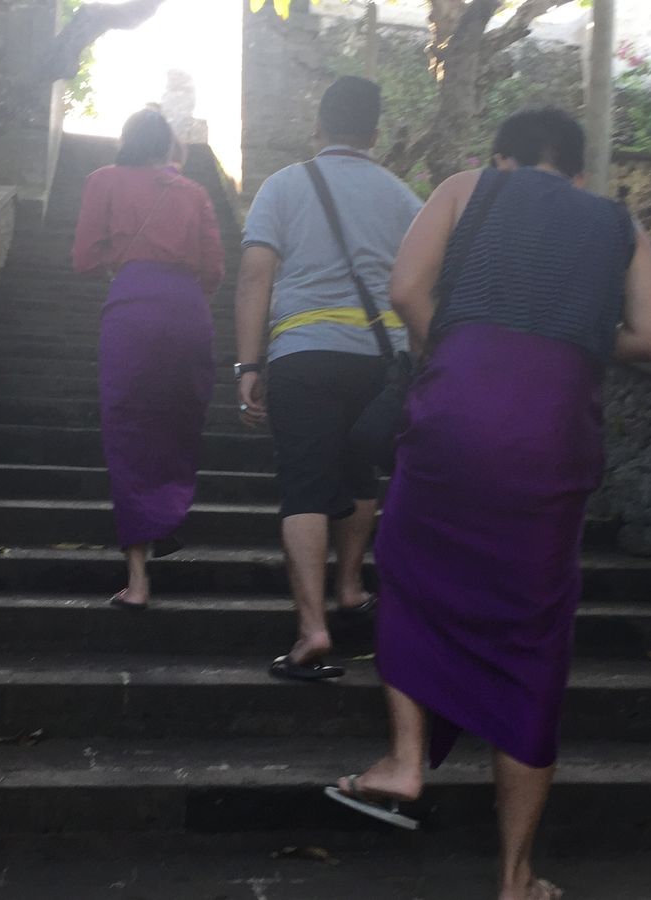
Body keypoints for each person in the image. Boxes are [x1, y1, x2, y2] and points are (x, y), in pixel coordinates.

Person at [326, 109, 651, 899]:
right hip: (551, 432)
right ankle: (515, 877)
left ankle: (405, 762)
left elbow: (405, 289)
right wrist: (580, 338)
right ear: (578, 172)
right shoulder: (617, 222)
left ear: (501, 158)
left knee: (410, 573)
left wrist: (452, 347)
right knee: (532, 636)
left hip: (457, 408)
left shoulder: (467, 188)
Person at [235, 77, 423, 680]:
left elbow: (254, 276)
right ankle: (349, 587)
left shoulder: (283, 186)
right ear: (375, 135)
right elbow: (423, 287)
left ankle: (312, 629)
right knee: (360, 471)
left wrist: (248, 365)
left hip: (303, 353)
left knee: (304, 485)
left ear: (317, 127)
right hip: (380, 358)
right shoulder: (405, 199)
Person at [72, 109, 225, 609]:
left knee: (129, 431)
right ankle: (167, 513)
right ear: (168, 147)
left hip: (133, 308)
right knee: (179, 421)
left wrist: (123, 265)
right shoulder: (194, 193)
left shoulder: (104, 180)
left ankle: (138, 581)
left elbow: (83, 259)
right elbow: (215, 270)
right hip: (187, 311)